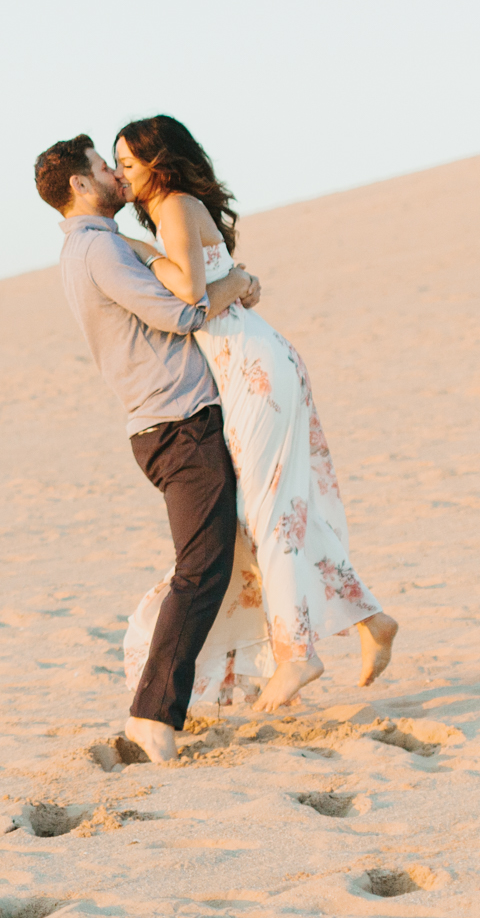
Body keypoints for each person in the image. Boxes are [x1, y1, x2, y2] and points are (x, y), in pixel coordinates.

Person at [111, 115, 399, 715]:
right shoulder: (180, 206)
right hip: (253, 356)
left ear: (158, 163)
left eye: (129, 165)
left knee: (268, 510)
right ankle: (370, 618)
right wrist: (233, 277)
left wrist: (141, 255)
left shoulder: (172, 206)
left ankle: (299, 653)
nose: (120, 175)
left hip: (250, 366)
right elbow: (216, 283)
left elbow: (191, 294)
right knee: (277, 505)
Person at [38, 133, 259, 763]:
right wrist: (237, 281)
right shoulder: (98, 251)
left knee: (216, 560)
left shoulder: (94, 248)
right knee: (202, 569)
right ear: (80, 184)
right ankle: (151, 717)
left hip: (173, 421)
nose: (115, 174)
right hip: (177, 424)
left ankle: (199, 693)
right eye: (103, 167)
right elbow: (183, 313)